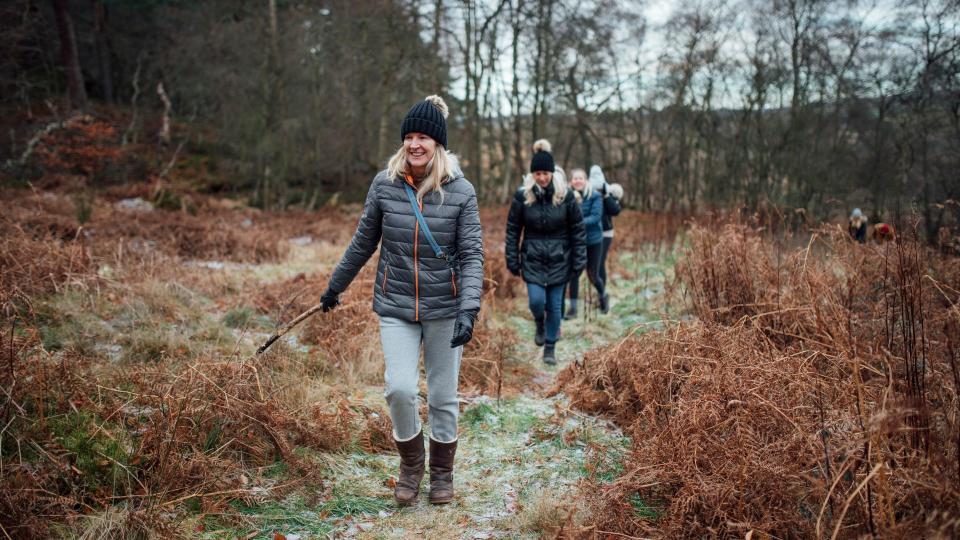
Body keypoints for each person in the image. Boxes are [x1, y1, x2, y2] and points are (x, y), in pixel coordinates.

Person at [320, 95, 483, 506]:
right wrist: (335, 286)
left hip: (445, 309)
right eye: (409, 136)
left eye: (423, 137)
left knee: (444, 396)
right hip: (396, 305)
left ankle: (442, 475)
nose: (415, 144)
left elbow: (472, 255)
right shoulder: (384, 184)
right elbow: (363, 243)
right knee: (399, 389)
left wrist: (468, 309)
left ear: (438, 144)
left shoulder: (461, 192)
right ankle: (411, 467)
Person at [505, 139, 586, 365]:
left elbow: (578, 231)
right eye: (538, 173)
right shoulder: (523, 196)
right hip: (532, 259)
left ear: (552, 173)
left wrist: (579, 261)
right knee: (536, 302)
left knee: (555, 306)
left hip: (561, 259)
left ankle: (550, 347)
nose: (542, 177)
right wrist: (512, 258)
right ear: (532, 174)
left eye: (545, 173)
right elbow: (513, 229)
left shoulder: (565, 196)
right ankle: (539, 322)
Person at [563, 168, 605, 319]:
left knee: (593, 274)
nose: (578, 181)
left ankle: (603, 296)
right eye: (575, 178)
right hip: (575, 242)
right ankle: (573, 310)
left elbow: (595, 217)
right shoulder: (566, 196)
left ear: (586, 180)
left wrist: (575, 223)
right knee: (573, 275)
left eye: (580, 178)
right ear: (571, 181)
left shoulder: (595, 196)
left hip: (593, 241)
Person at [589, 165, 621, 313]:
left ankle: (602, 296)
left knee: (599, 264)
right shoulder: (587, 190)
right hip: (590, 232)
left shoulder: (608, 190)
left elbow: (615, 211)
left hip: (605, 233)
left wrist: (606, 195)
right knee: (590, 267)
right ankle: (600, 294)